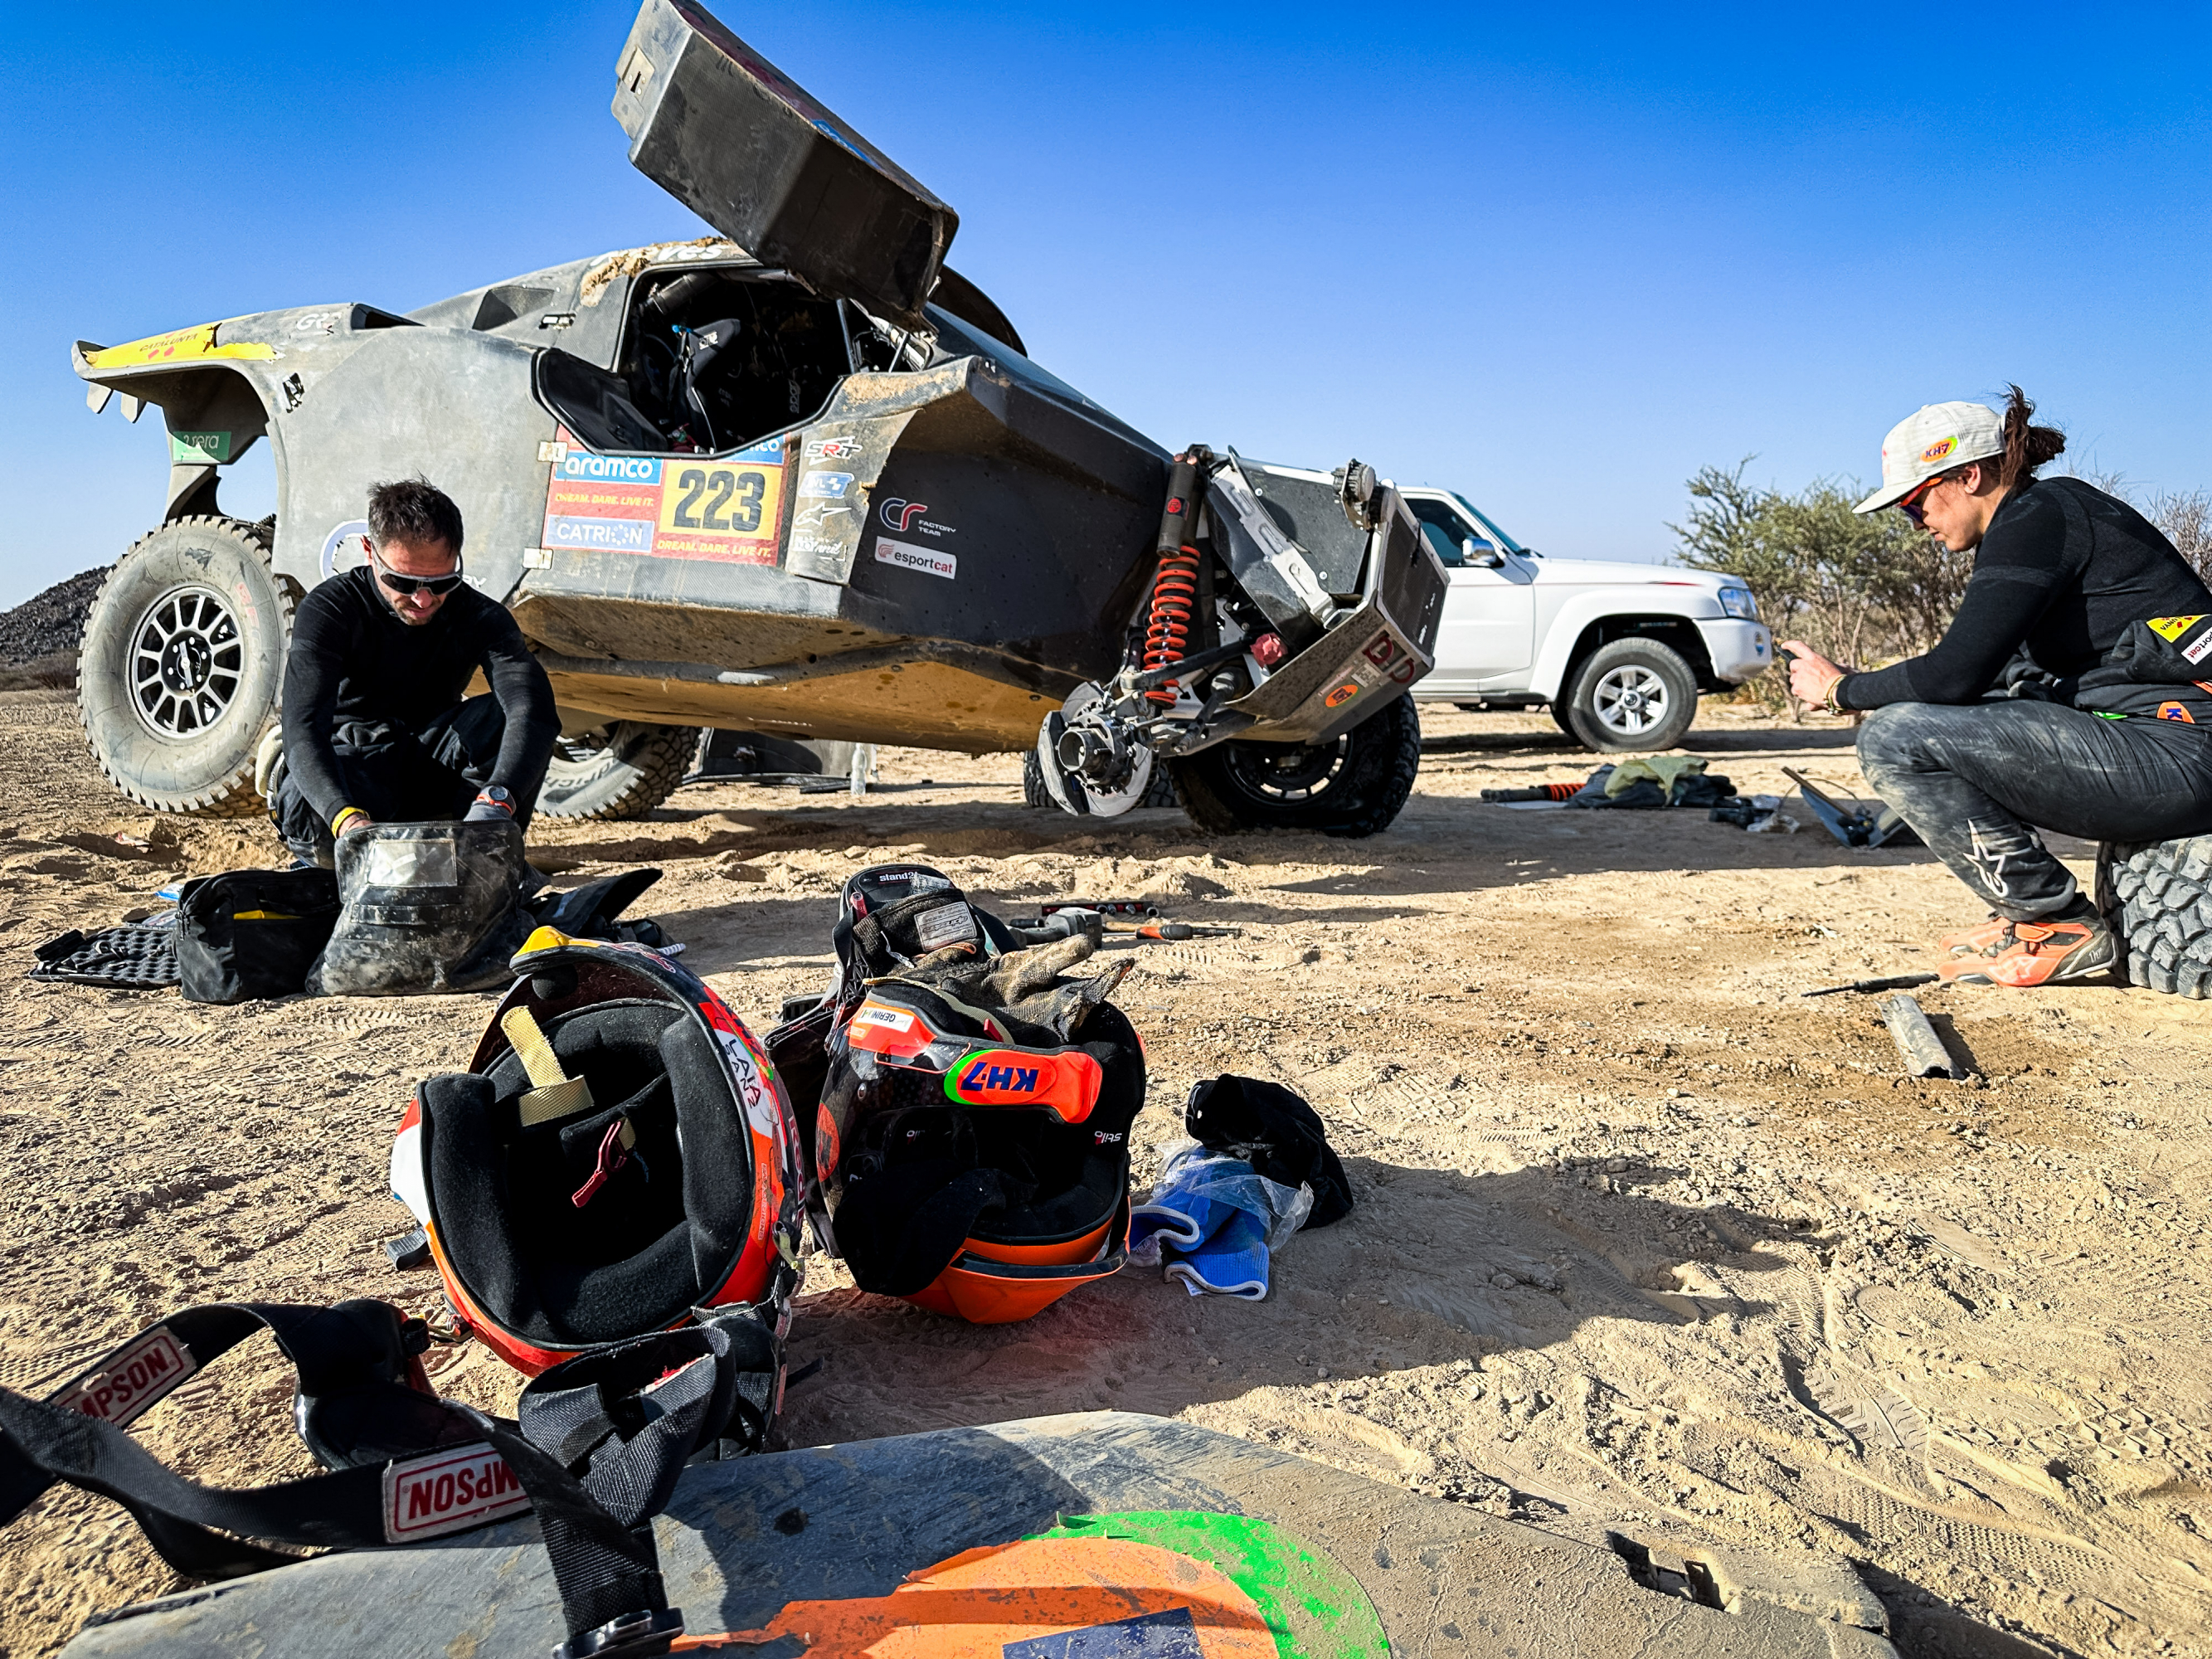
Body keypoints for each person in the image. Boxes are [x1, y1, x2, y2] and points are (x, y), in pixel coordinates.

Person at [1782, 389, 2212, 988]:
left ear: (1967, 475)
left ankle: (2053, 921)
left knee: (1893, 738)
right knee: (1931, 718)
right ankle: (2029, 915)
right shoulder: (2043, 518)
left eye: (1914, 504)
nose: (1917, 525)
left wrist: (1840, 690)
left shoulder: (2038, 517)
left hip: (2180, 752)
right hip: (2165, 747)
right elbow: (1978, 678)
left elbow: (1951, 675)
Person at [271, 477, 558, 867]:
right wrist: (346, 818)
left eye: (441, 582)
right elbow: (302, 727)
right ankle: (341, 858)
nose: (423, 599)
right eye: (403, 582)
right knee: (310, 804)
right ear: (369, 551)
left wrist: (497, 803)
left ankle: (477, 858)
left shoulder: (481, 616)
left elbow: (532, 709)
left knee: (508, 717)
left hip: (428, 764)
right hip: (354, 766)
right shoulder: (330, 610)